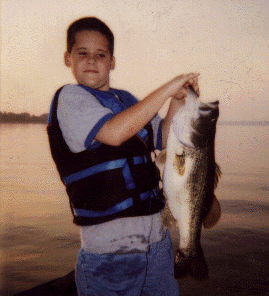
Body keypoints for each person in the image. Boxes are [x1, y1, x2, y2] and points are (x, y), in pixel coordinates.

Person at [47, 16, 199, 296]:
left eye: (100, 54)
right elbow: (114, 133)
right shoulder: (70, 98)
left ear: (112, 62)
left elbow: (163, 137)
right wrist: (168, 87)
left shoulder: (127, 101)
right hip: (110, 251)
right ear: (68, 58)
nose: (92, 60)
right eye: (83, 53)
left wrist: (177, 100)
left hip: (157, 241)